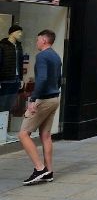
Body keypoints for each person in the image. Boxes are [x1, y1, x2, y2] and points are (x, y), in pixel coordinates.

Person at [19, 30, 62, 185]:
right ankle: (49, 172)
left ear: (44, 40)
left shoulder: (42, 56)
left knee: (23, 134)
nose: (36, 42)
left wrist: (33, 100)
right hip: (54, 98)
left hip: (43, 100)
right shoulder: (56, 56)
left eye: (38, 40)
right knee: (46, 135)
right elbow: (57, 80)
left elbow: (42, 78)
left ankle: (39, 168)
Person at [0, 24, 24, 113]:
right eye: (18, 32)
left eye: (21, 32)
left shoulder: (19, 46)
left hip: (16, 80)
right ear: (11, 33)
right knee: (2, 104)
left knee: (10, 104)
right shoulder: (2, 45)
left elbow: (20, 63)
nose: (20, 34)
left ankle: (5, 124)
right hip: (5, 79)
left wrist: (21, 78)